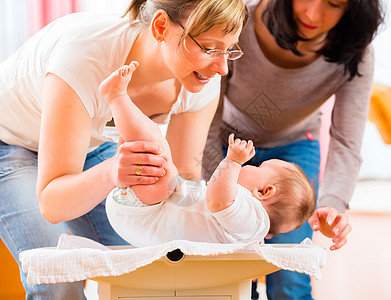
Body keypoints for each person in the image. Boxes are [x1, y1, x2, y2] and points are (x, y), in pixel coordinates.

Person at [0, 0, 248, 297]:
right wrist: (110, 172)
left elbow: (182, 183)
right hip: (9, 142)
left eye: (230, 49)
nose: (222, 68)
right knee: (59, 281)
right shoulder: (86, 56)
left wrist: (233, 224)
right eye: (210, 48)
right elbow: (53, 206)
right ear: (160, 27)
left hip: (92, 144)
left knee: (141, 268)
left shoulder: (201, 79)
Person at [201, 0, 384, 299]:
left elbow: (347, 140)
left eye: (333, 4)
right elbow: (204, 120)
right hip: (227, 148)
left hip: (294, 150)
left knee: (290, 279)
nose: (312, 14)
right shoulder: (238, 23)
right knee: (217, 267)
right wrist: (216, 187)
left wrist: (333, 203)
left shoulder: (355, 51)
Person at [101, 61, 316, 246]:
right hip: (146, 214)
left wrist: (233, 161)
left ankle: (116, 96)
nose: (253, 165)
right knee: (156, 155)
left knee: (158, 151)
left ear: (264, 191)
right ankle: (125, 123)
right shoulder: (248, 228)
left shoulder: (252, 217)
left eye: (260, 167)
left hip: (146, 214)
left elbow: (219, 200)